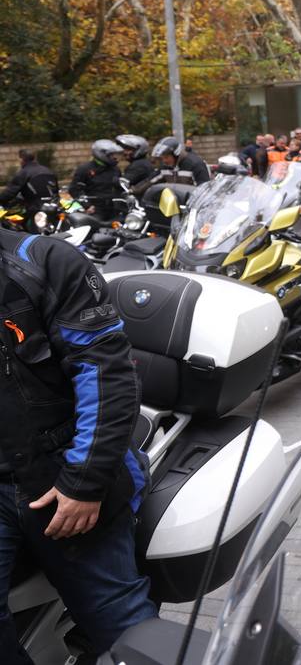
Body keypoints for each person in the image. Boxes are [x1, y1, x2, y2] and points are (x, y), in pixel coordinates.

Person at [0, 231, 156, 659]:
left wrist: (83, 482)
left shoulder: (44, 261)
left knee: (119, 621)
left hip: (57, 473)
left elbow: (105, 372)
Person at [68, 140, 124, 217]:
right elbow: (74, 189)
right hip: (95, 210)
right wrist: (87, 205)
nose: (114, 158)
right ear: (102, 154)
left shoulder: (115, 169)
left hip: (114, 209)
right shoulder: (85, 169)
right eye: (111, 155)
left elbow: (120, 188)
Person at [0, 150, 58, 224]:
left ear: (22, 159)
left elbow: (9, 193)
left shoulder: (23, 173)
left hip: (35, 211)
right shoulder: (49, 171)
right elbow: (56, 190)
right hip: (53, 208)